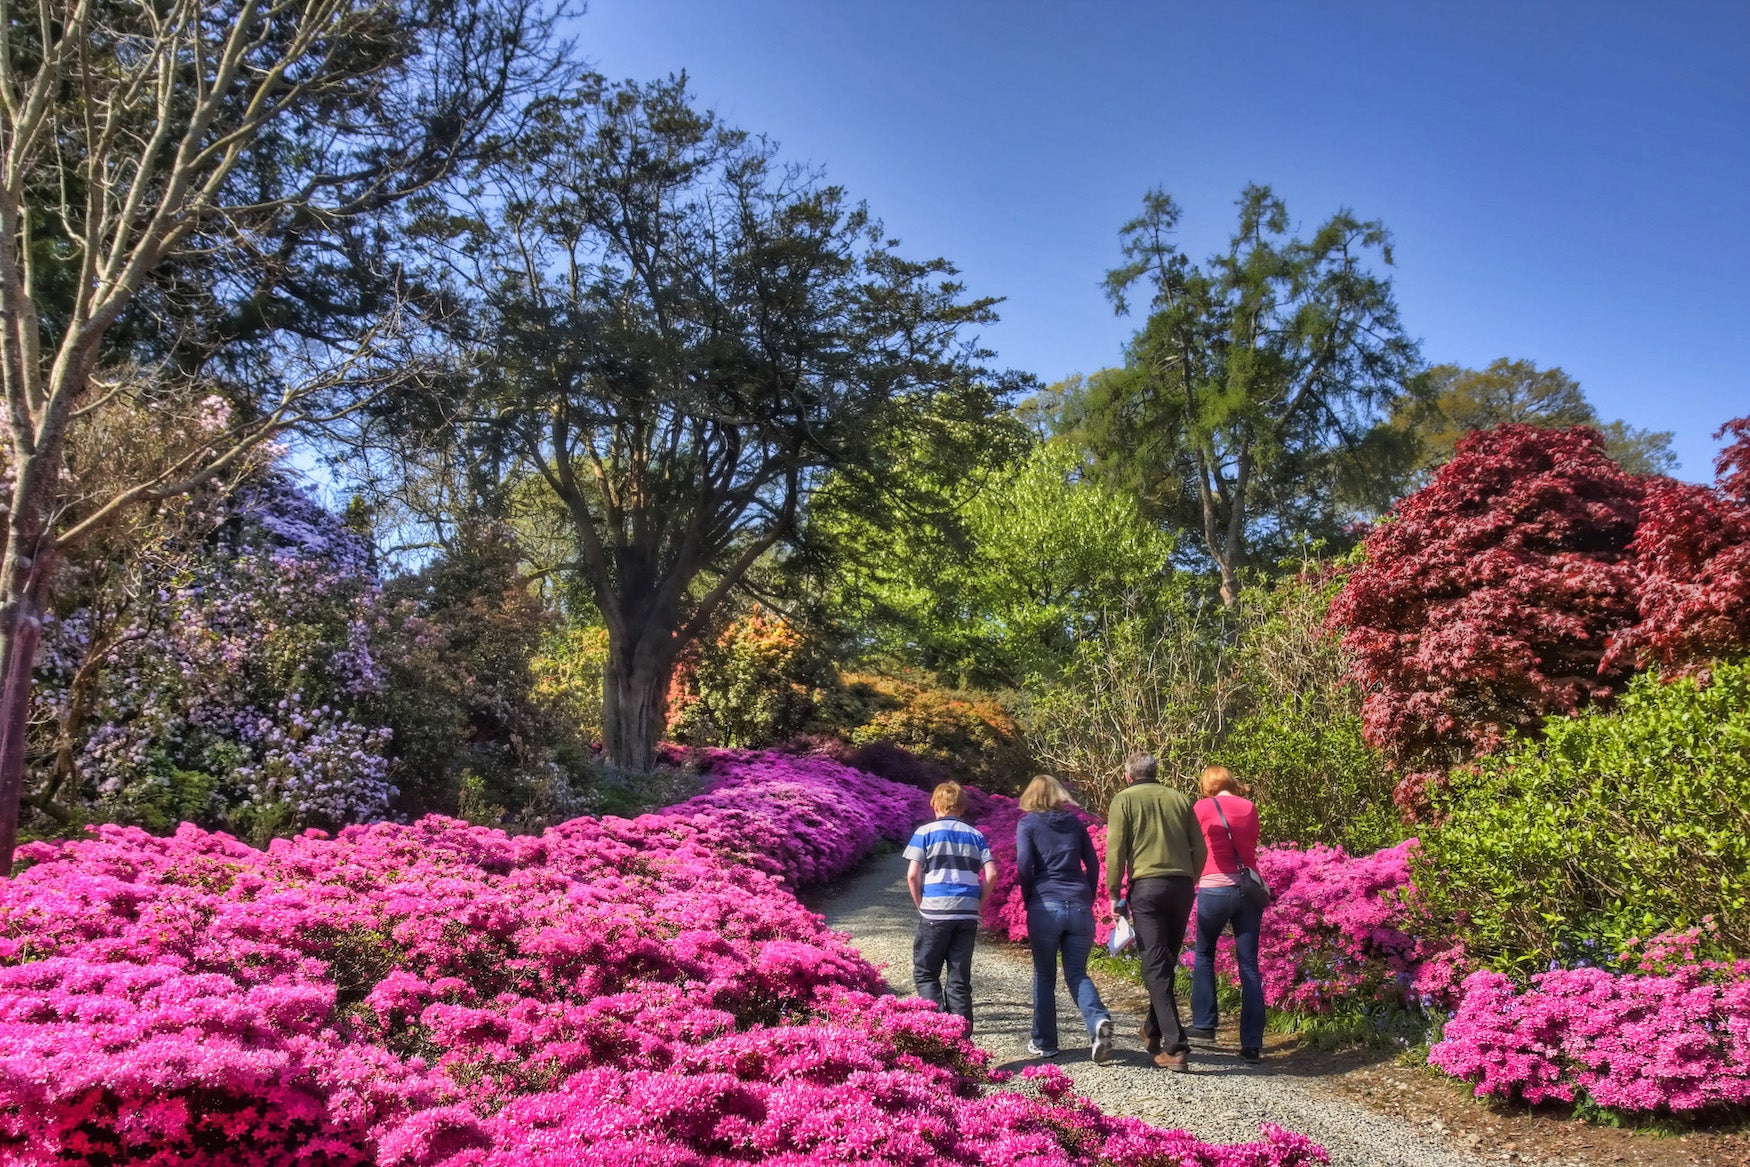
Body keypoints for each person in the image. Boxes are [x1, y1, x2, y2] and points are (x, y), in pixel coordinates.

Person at [1105, 751, 1206, 1071]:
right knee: (1165, 962)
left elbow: (1116, 850)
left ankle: (1176, 1047)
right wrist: (1193, 877)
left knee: (1154, 966)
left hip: (1147, 889)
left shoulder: (1123, 799)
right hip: (1181, 887)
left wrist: (1112, 892)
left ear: (1128, 776)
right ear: (1155, 772)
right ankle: (1151, 1030)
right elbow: (1200, 848)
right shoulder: (1179, 798)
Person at [1015, 774, 1115, 1062]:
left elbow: (1024, 864)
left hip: (1045, 904)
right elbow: (1093, 863)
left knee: (1045, 975)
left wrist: (1029, 895)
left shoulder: (1028, 823)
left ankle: (1045, 1043)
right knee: (1077, 973)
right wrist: (1088, 894)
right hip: (1079, 905)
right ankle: (1097, 1023)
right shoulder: (1074, 822)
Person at [904, 781, 998, 1032]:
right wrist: (978, 904)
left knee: (926, 972)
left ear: (935, 804)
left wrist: (921, 905)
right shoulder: (975, 835)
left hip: (935, 911)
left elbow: (913, 876)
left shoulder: (925, 832)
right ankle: (962, 1041)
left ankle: (938, 1034)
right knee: (958, 980)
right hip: (966, 913)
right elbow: (991, 874)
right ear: (962, 807)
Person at [1188, 764, 1266, 1063]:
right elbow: (1250, 845)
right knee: (1249, 965)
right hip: (1247, 890)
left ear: (1207, 785)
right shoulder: (1249, 807)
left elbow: (1194, 845)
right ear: (1230, 782)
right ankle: (1252, 1044)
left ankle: (1205, 1025)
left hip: (1214, 888)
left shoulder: (1202, 807)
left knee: (1204, 955)